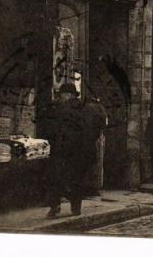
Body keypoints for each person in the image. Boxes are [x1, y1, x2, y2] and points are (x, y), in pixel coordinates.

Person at [41, 82, 99, 218]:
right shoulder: (86, 109)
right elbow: (93, 130)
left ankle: (55, 207)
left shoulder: (62, 109)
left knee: (56, 178)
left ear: (67, 95)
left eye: (60, 95)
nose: (60, 97)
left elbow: (55, 131)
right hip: (82, 152)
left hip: (64, 151)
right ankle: (76, 208)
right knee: (76, 180)